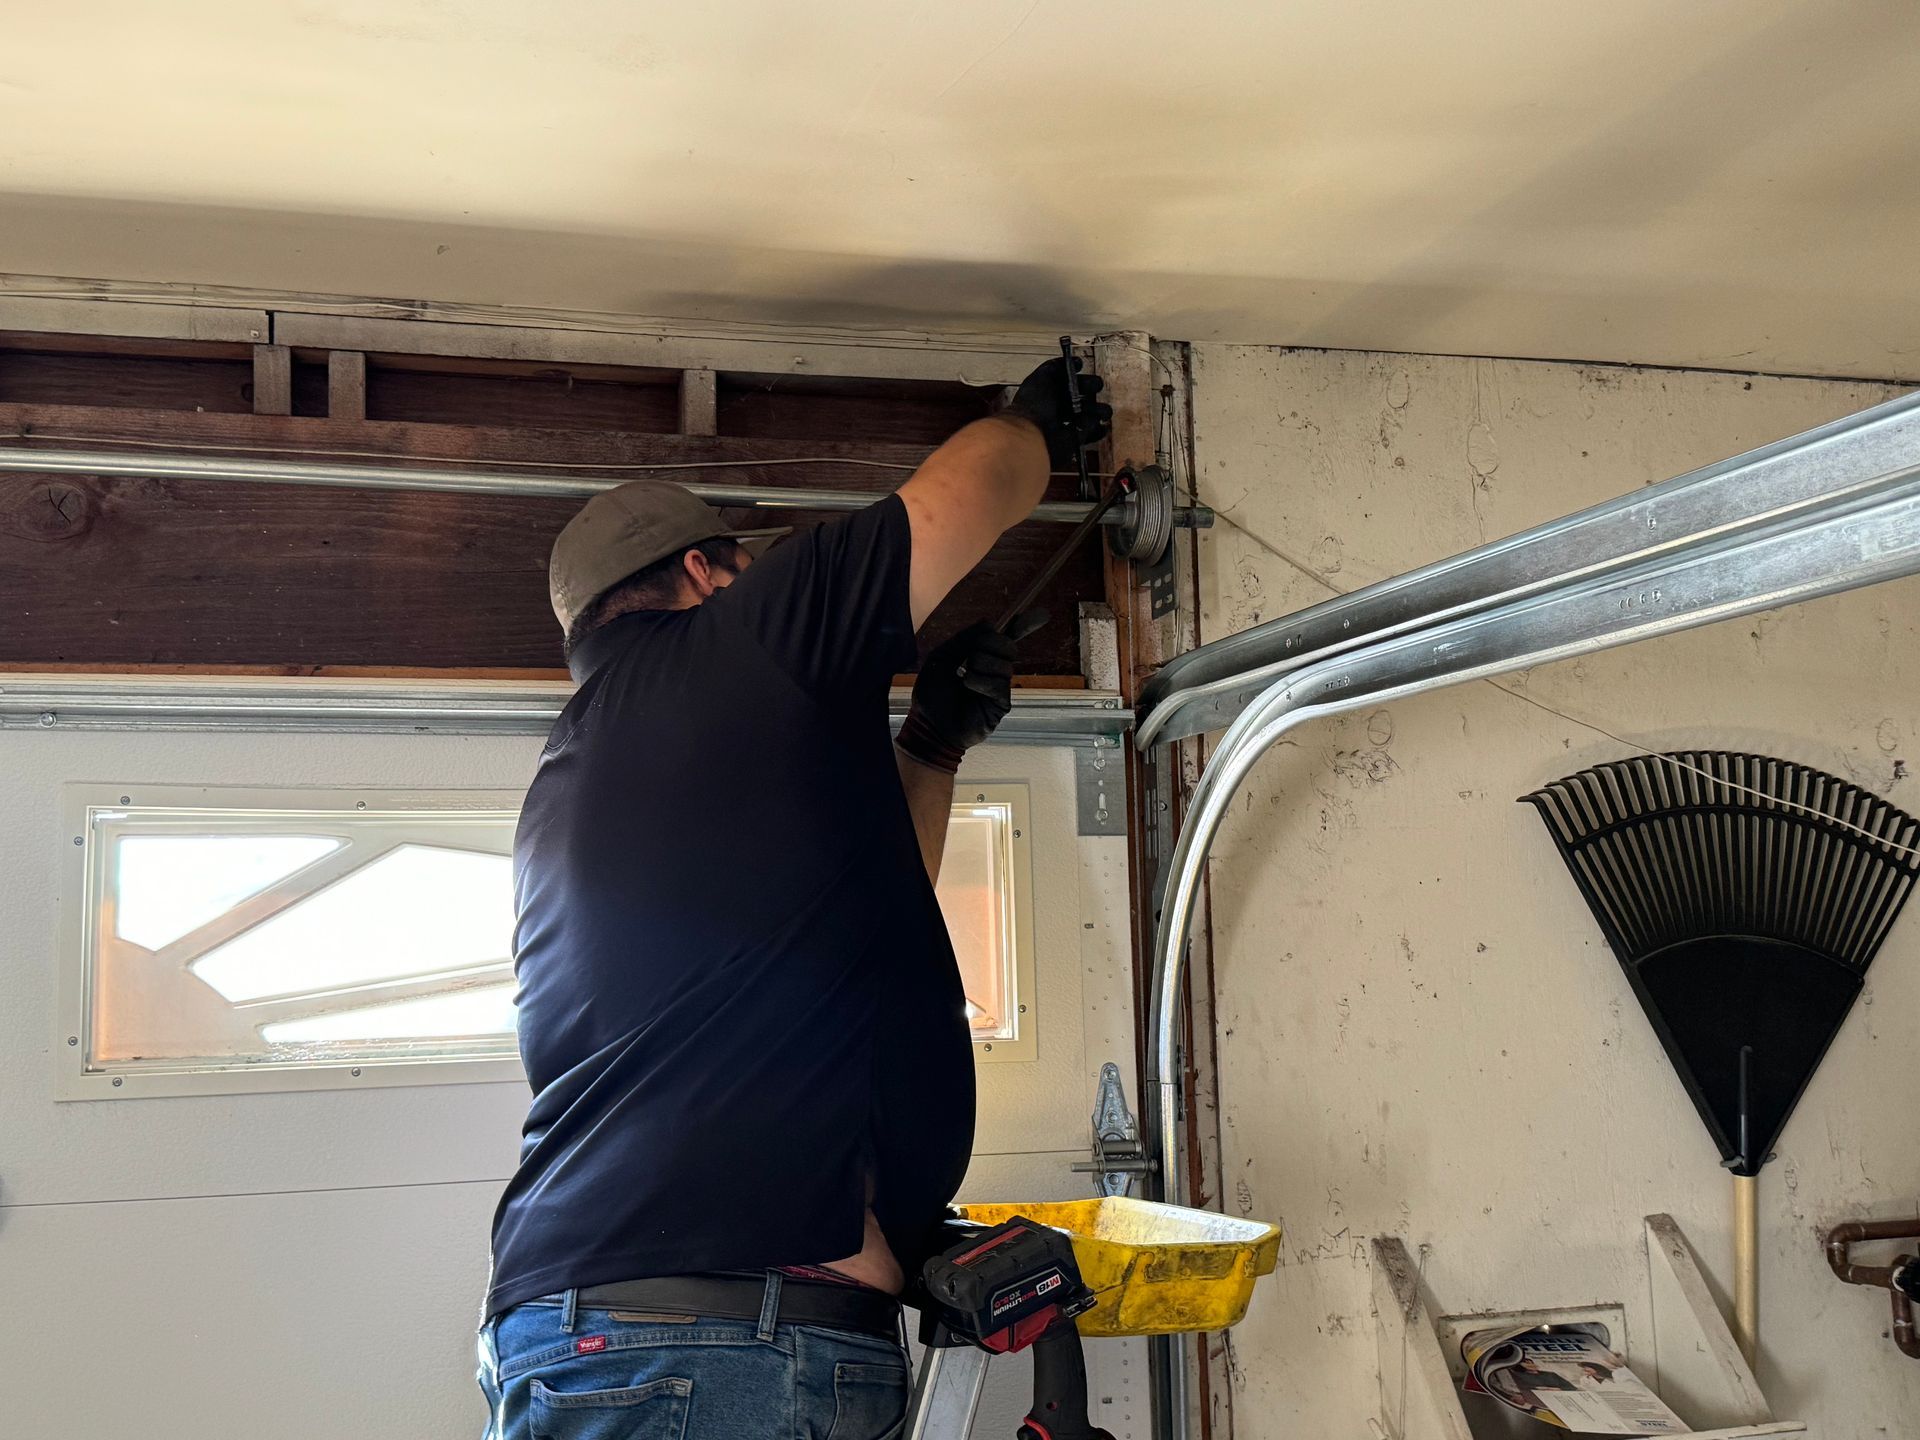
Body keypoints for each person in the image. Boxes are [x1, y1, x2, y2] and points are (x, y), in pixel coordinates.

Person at [477, 358, 1111, 1440]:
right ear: (712, 574)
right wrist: (1033, 428)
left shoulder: (575, 781)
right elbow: (963, 498)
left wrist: (932, 748)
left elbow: (853, 911)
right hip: (719, 1351)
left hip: (613, 1337)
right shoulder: (745, 643)